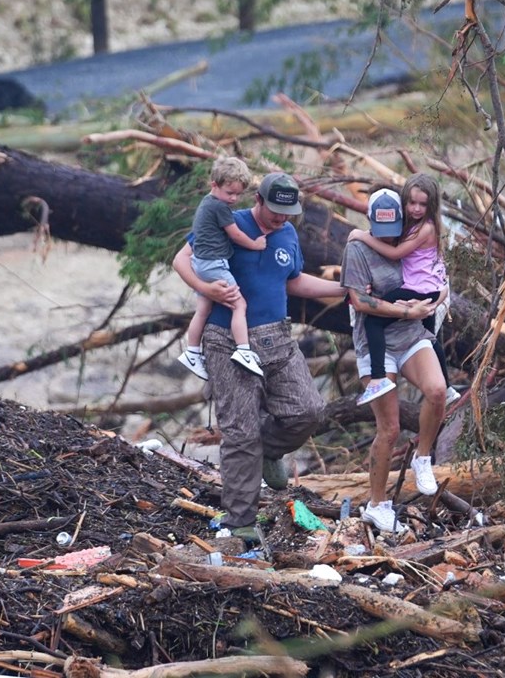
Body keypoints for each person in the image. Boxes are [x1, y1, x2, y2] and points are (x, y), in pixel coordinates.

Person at [172, 172, 344, 543]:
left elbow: (293, 280)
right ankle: (240, 522)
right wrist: (205, 288)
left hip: (277, 337)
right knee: (239, 432)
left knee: (308, 410)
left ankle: (267, 451)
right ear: (259, 200)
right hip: (226, 339)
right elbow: (181, 260)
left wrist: (340, 288)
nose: (281, 218)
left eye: (288, 212)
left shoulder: (287, 234)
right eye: (276, 210)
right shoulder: (227, 219)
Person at [341, 187, 449, 533]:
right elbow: (358, 301)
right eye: (380, 231)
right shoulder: (357, 249)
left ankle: (423, 457)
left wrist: (439, 293)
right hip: (376, 343)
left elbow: (433, 270)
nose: (387, 237)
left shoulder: (412, 234)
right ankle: (377, 505)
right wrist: (405, 310)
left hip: (411, 334)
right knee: (389, 427)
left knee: (437, 390)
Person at [349, 178, 457, 406]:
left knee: (373, 321)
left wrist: (363, 235)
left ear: (432, 205)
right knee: (430, 338)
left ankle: (377, 378)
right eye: (412, 203)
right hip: (429, 289)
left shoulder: (425, 228)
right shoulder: (416, 226)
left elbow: (396, 253)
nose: (416, 209)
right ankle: (447, 389)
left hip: (420, 291)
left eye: (423, 204)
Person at [177, 156, 267, 381]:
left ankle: (192, 351)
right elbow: (235, 234)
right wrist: (256, 244)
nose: (234, 199)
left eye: (238, 194)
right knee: (239, 304)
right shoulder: (220, 208)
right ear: (213, 185)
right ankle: (244, 350)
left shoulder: (208, 203)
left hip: (200, 263)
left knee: (203, 308)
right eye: (230, 193)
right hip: (213, 264)